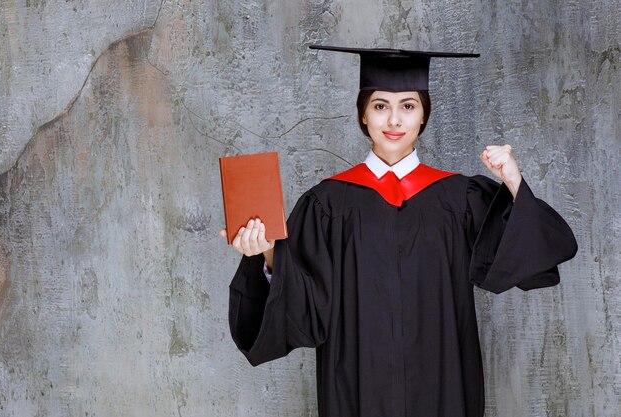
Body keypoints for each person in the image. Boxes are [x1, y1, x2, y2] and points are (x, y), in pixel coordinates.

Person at [220, 45, 578, 417]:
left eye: (408, 106)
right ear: (362, 115)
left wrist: (513, 181)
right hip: (357, 388)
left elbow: (532, 257)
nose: (394, 120)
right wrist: (267, 253)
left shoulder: (458, 199)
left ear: (423, 115)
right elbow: (306, 308)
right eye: (380, 106)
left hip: (443, 385)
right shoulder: (328, 203)